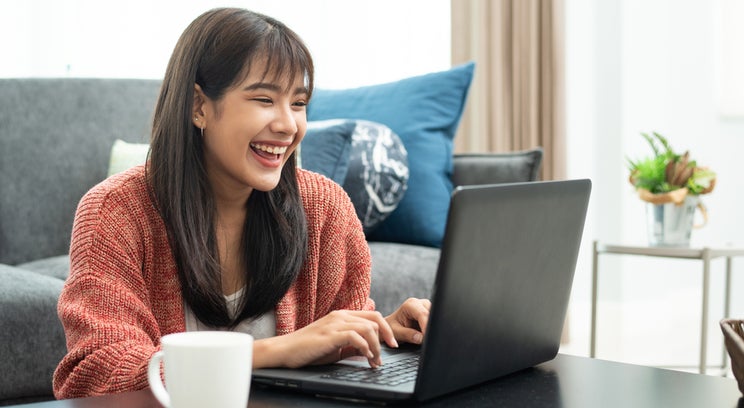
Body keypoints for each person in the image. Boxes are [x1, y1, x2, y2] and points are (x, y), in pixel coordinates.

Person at [53, 7, 430, 399]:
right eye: (264, 99)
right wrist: (272, 351)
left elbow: (329, 352)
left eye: (298, 103)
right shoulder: (115, 212)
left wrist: (386, 335)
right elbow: (98, 375)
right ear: (199, 107)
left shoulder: (325, 207)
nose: (288, 125)